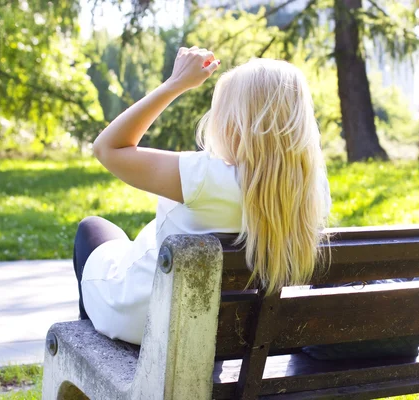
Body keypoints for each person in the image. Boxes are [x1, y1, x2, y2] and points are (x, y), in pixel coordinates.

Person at [72, 46, 331, 345]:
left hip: (153, 324)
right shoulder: (311, 192)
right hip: (239, 335)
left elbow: (107, 148)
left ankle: (90, 358)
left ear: (236, 121)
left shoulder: (207, 177)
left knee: (92, 228)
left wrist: (175, 83)